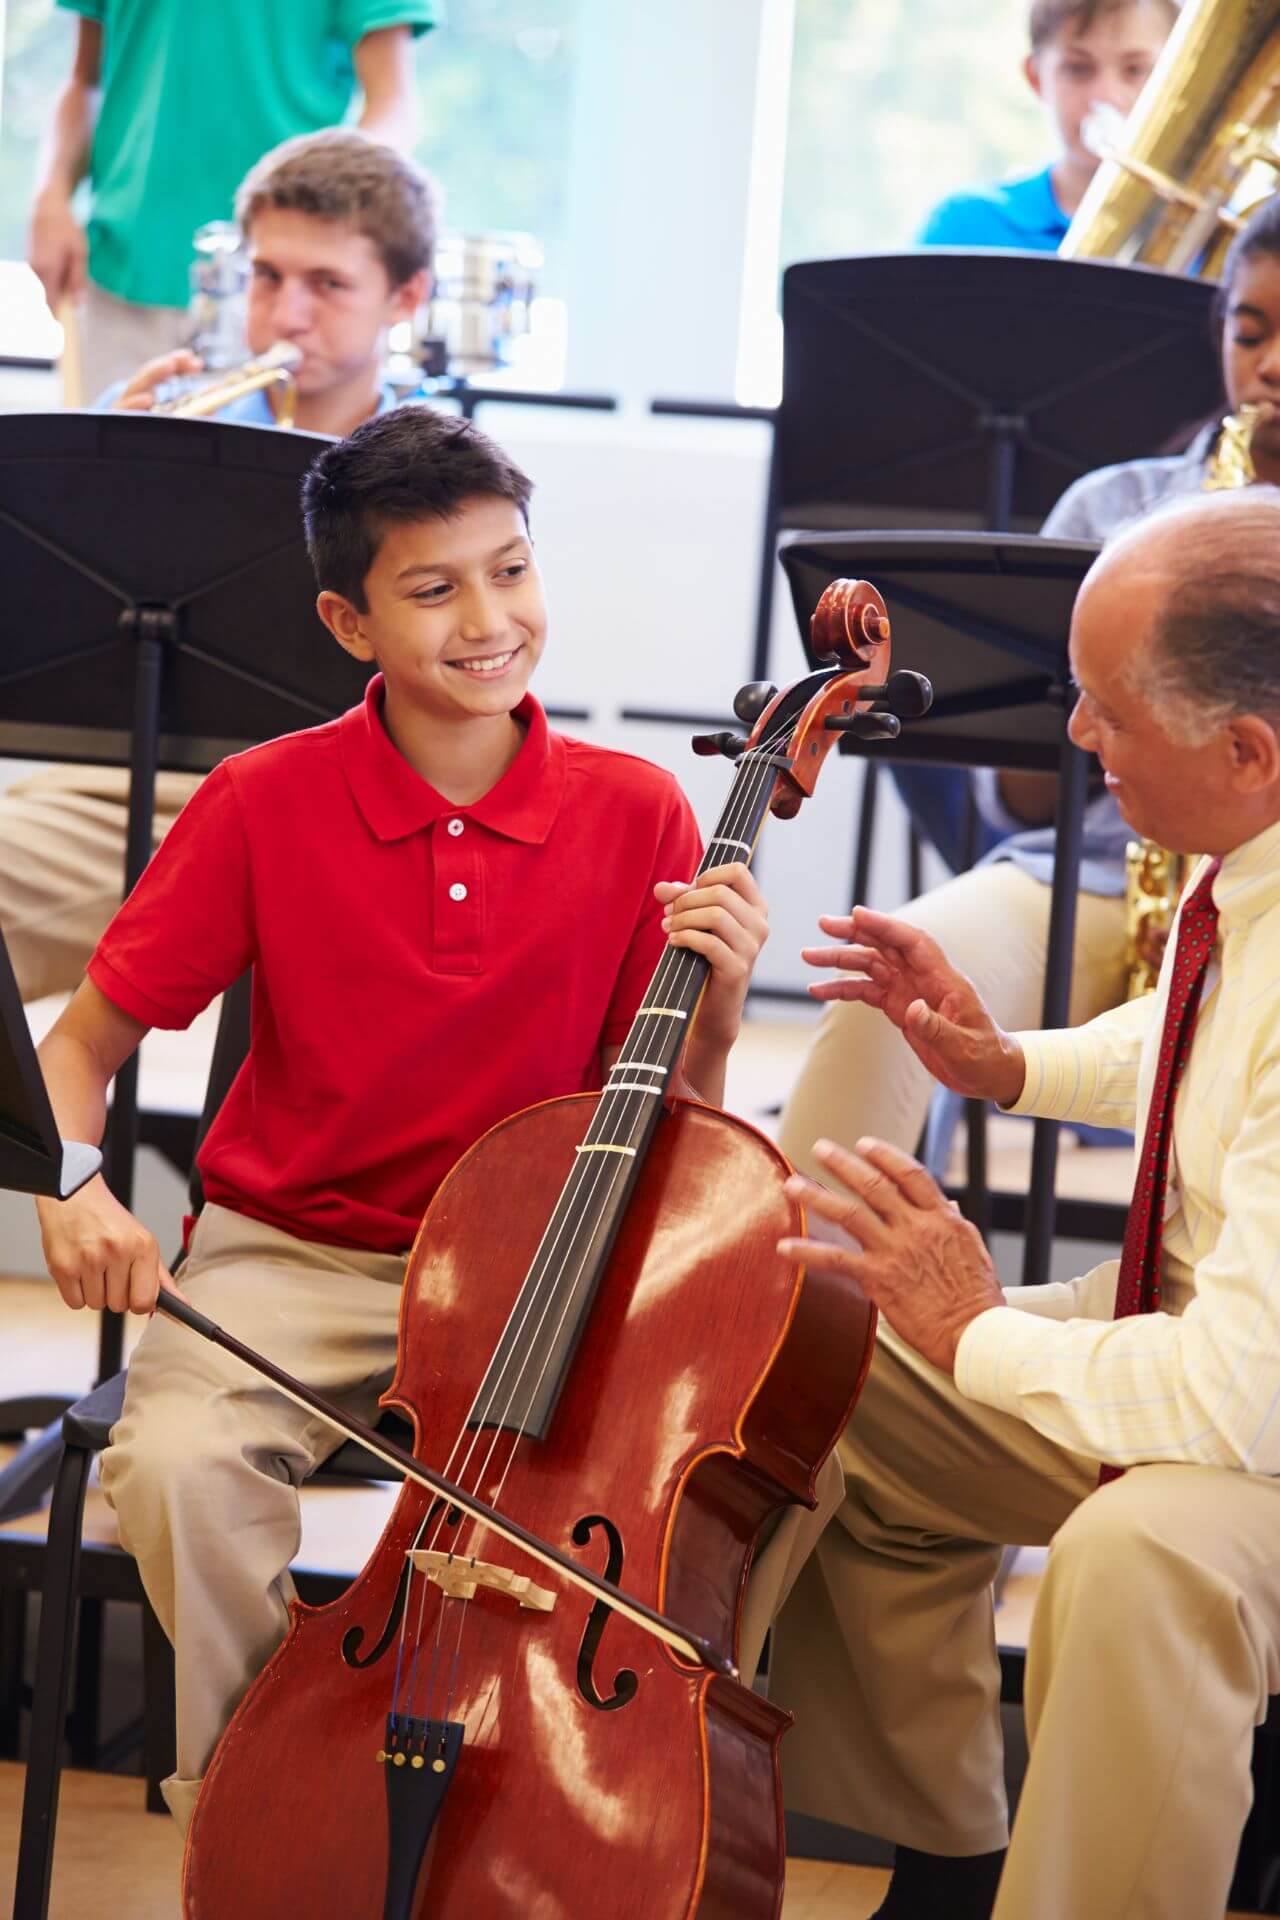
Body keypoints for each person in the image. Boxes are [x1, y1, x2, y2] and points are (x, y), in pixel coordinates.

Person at [32, 404, 772, 1833]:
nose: (489, 619)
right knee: (176, 1471)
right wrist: (71, 1187)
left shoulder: (640, 812)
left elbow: (679, 1133)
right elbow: (80, 1048)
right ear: (349, 622)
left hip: (536, 1271)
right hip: (288, 1260)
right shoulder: (261, 799)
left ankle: (543, 1823)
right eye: (434, 589)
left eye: (511, 570)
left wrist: (725, 1013)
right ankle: (263, 1803)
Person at [752, 485, 1280, 1920]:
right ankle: (938, 1856)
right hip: (1213, 1354)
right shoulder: (1248, 871)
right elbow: (1193, 1044)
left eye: (1110, 706)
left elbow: (1238, 1404)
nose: (1074, 735)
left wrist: (976, 1324)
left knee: (1133, 1553)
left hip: (1258, 1420)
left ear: (1247, 751)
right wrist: (1002, 1064)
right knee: (829, 1371)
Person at [777, 192, 1280, 1187]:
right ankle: (782, 1299)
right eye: (1247, 330)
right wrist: (1094, 712)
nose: (1264, 366)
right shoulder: (1112, 508)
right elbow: (1011, 797)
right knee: (895, 986)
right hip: (1099, 882)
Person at [2, 128, 438, 1008]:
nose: (287, 316)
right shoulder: (179, 431)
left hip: (324, 807)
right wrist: (99, 471)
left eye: (329, 285)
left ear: (406, 298)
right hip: (127, 775)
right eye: (268, 276)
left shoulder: (441, 477)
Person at [27, 0, 436, 399]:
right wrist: (51, 199)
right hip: (121, 267)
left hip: (277, 285)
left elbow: (391, 99)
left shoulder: (290, 305)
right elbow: (86, 80)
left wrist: (337, 226)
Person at [919, 0, 1176, 254]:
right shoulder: (964, 227)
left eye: (1136, 70)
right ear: (1036, 78)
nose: (1106, 96)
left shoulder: (1205, 232)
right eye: (1077, 68)